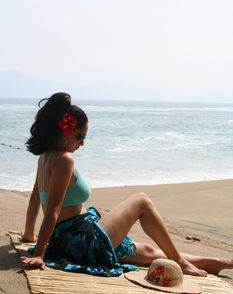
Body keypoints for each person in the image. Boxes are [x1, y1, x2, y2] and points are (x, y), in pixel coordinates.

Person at [21, 92, 233, 277]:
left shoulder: (45, 157)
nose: (82, 143)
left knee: (147, 252)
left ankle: (215, 263)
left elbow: (35, 199)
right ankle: (180, 260)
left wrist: (29, 235)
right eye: (79, 136)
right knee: (141, 200)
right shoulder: (64, 160)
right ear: (64, 129)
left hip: (68, 242)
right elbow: (53, 211)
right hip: (81, 242)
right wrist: (39, 253)